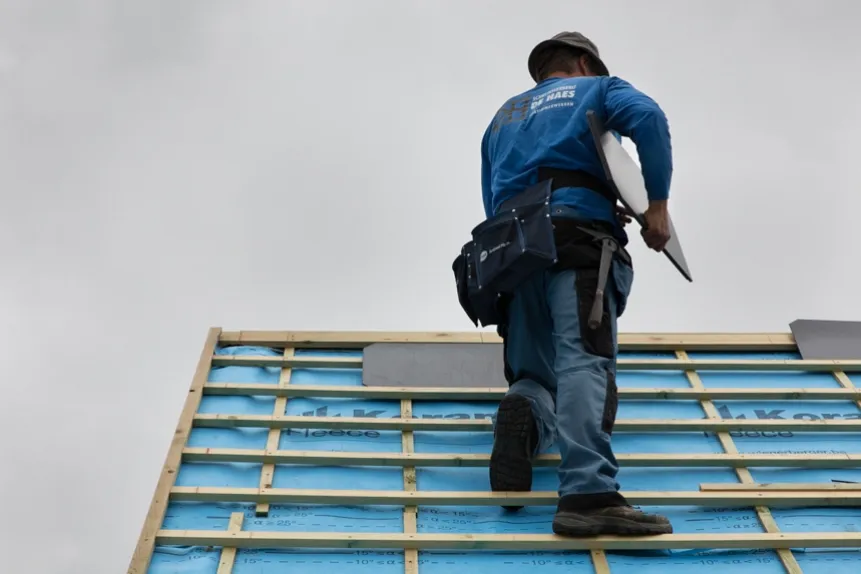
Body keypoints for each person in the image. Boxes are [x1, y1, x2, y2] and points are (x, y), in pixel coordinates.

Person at [480, 31, 674, 537]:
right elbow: (649, 119)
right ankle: (588, 493)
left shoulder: (503, 117)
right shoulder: (598, 89)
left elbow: (492, 197)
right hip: (577, 243)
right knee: (584, 360)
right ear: (585, 62)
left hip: (512, 252)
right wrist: (656, 205)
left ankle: (523, 410)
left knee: (533, 371)